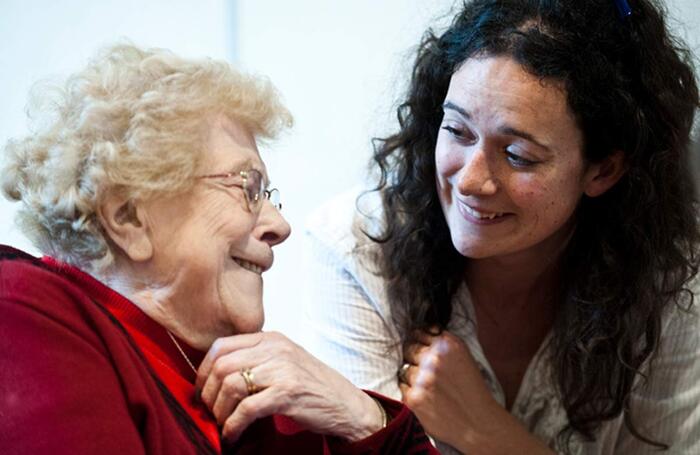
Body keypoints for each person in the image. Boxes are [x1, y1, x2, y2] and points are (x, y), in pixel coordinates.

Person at [302, 0, 700, 453]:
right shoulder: (355, 248)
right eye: (457, 130)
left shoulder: (672, 279)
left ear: (603, 170)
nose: (469, 180)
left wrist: (486, 432)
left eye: (517, 156)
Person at [0, 44, 438, 455]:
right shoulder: (24, 313)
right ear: (130, 218)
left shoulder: (251, 388)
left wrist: (363, 415)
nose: (279, 226)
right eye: (247, 188)